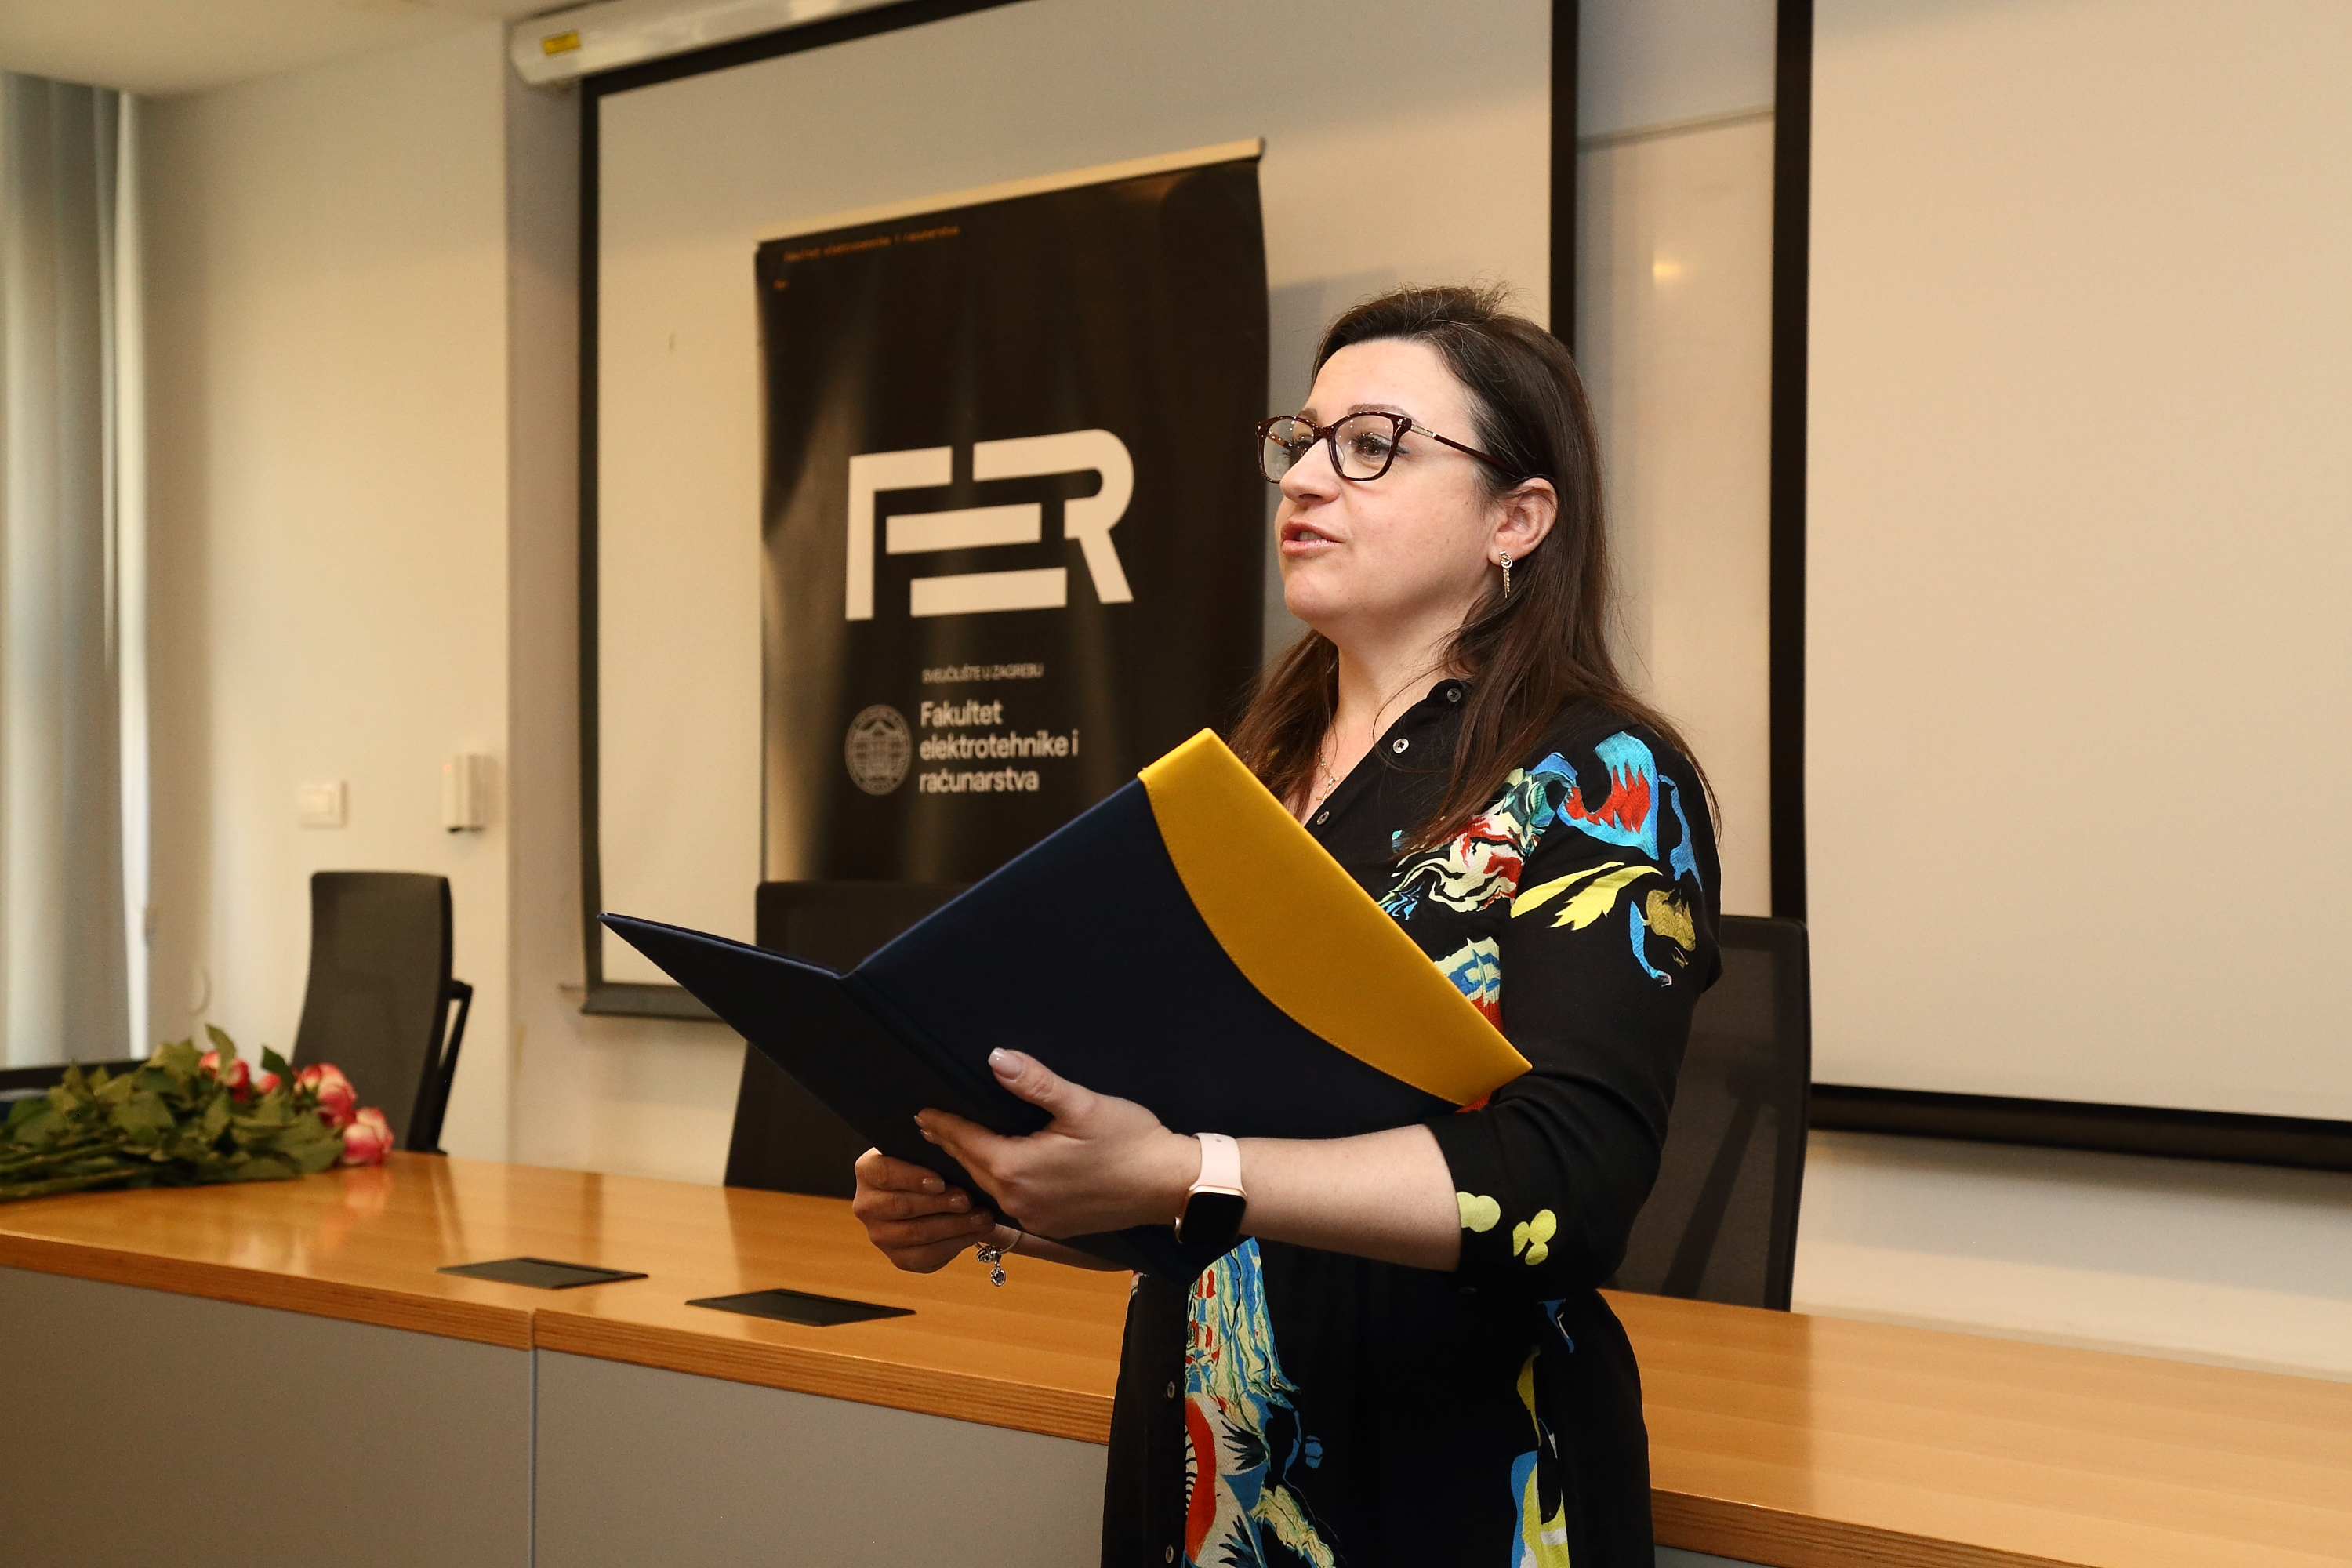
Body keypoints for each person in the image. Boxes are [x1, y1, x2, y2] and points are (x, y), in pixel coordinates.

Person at [852, 283, 1720, 1568]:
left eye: (1372, 446)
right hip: (1208, 1450)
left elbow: (1570, 1188)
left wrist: (1183, 1170)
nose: (1307, 479)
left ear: (1517, 519)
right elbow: (1186, 1161)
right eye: (1301, 442)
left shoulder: (1601, 778)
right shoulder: (1244, 779)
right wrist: (999, 1195)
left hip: (1456, 1469)